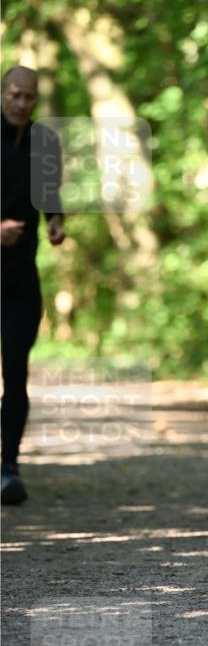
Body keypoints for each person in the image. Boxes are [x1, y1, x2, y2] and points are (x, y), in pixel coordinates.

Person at [1, 66, 65, 504]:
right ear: (3, 93)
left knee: (16, 372)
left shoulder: (45, 143)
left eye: (30, 97)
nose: (23, 104)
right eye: (15, 95)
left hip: (20, 275)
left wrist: (56, 224)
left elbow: (51, 197)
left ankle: (9, 468)